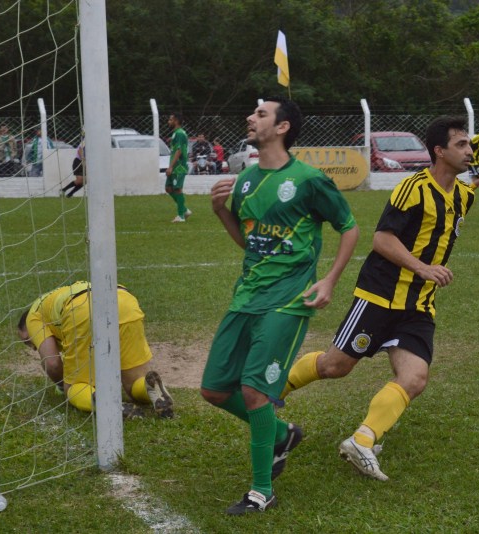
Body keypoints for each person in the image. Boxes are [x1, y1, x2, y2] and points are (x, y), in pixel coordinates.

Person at [279, 115, 476, 482]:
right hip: (380, 296)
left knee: (415, 378)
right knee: (336, 366)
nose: (469, 149)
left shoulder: (465, 196)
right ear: (439, 151)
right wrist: (423, 267)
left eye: (469, 143)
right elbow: (382, 240)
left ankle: (362, 440)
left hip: (418, 304)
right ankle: (273, 390)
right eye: (461, 144)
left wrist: (425, 276)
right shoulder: (412, 188)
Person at [200, 96, 359, 515]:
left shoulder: (308, 179)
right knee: (214, 389)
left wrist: (328, 280)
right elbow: (248, 242)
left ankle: (261, 491)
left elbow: (349, 227)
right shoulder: (246, 180)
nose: (250, 118)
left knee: (254, 391)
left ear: (283, 127)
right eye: (252, 113)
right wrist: (221, 212)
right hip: (247, 294)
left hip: (289, 300)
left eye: (261, 114)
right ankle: (283, 434)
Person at [17, 281, 174, 418]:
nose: (32, 347)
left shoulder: (33, 316)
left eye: (27, 340)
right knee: (133, 383)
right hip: (124, 300)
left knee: (76, 388)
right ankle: (150, 388)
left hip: (82, 309)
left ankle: (107, 404)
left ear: (26, 325)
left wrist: (62, 385)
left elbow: (53, 364)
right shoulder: (54, 299)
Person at [165, 113, 192, 222]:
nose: (168, 121)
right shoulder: (176, 133)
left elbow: (179, 150)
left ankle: (181, 216)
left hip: (179, 166)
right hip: (175, 165)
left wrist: (171, 167)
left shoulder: (180, 133)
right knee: (168, 188)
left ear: (176, 121)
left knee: (177, 189)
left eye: (170, 119)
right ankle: (184, 210)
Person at [61, 132, 85, 197]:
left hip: (85, 162)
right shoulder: (85, 141)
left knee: (84, 181)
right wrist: (83, 159)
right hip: (79, 161)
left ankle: (69, 194)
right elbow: (80, 150)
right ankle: (63, 190)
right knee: (80, 180)